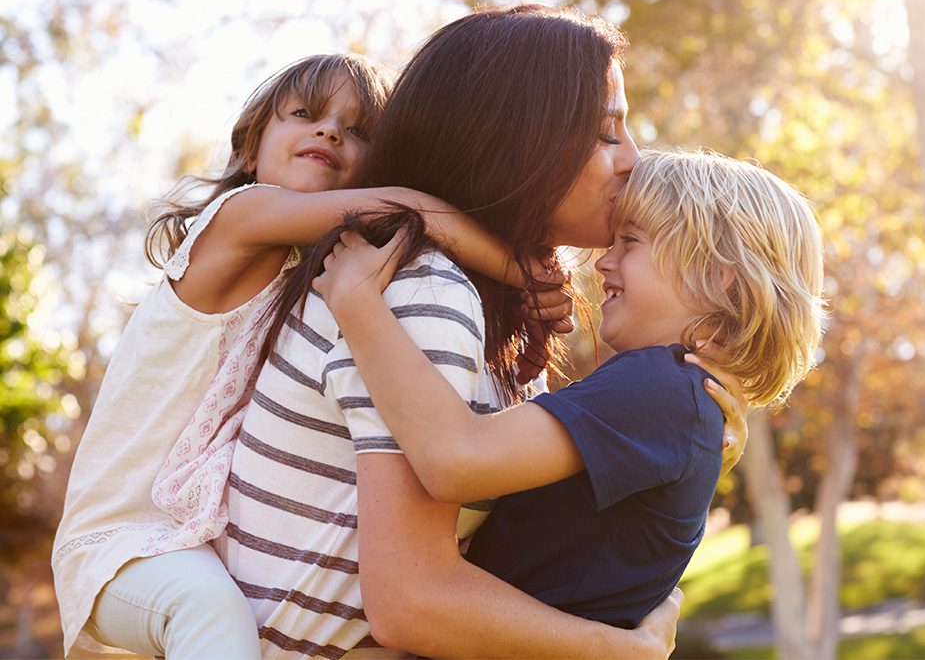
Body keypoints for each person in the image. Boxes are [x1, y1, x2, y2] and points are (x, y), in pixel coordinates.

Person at [217, 5, 748, 659]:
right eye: (607, 132)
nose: (632, 159)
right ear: (519, 139)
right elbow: (413, 604)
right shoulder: (424, 293)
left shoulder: (476, 307)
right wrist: (620, 650)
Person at [51, 53, 535, 659]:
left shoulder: (310, 280)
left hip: (195, 537)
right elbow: (405, 209)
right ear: (253, 149)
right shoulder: (238, 216)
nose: (329, 131)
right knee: (210, 613)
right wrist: (524, 276)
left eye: (356, 130)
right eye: (305, 114)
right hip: (121, 541)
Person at [316, 147, 826, 629]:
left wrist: (357, 301)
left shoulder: (659, 386)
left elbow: (456, 458)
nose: (604, 261)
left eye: (632, 241)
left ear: (720, 279)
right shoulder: (681, 398)